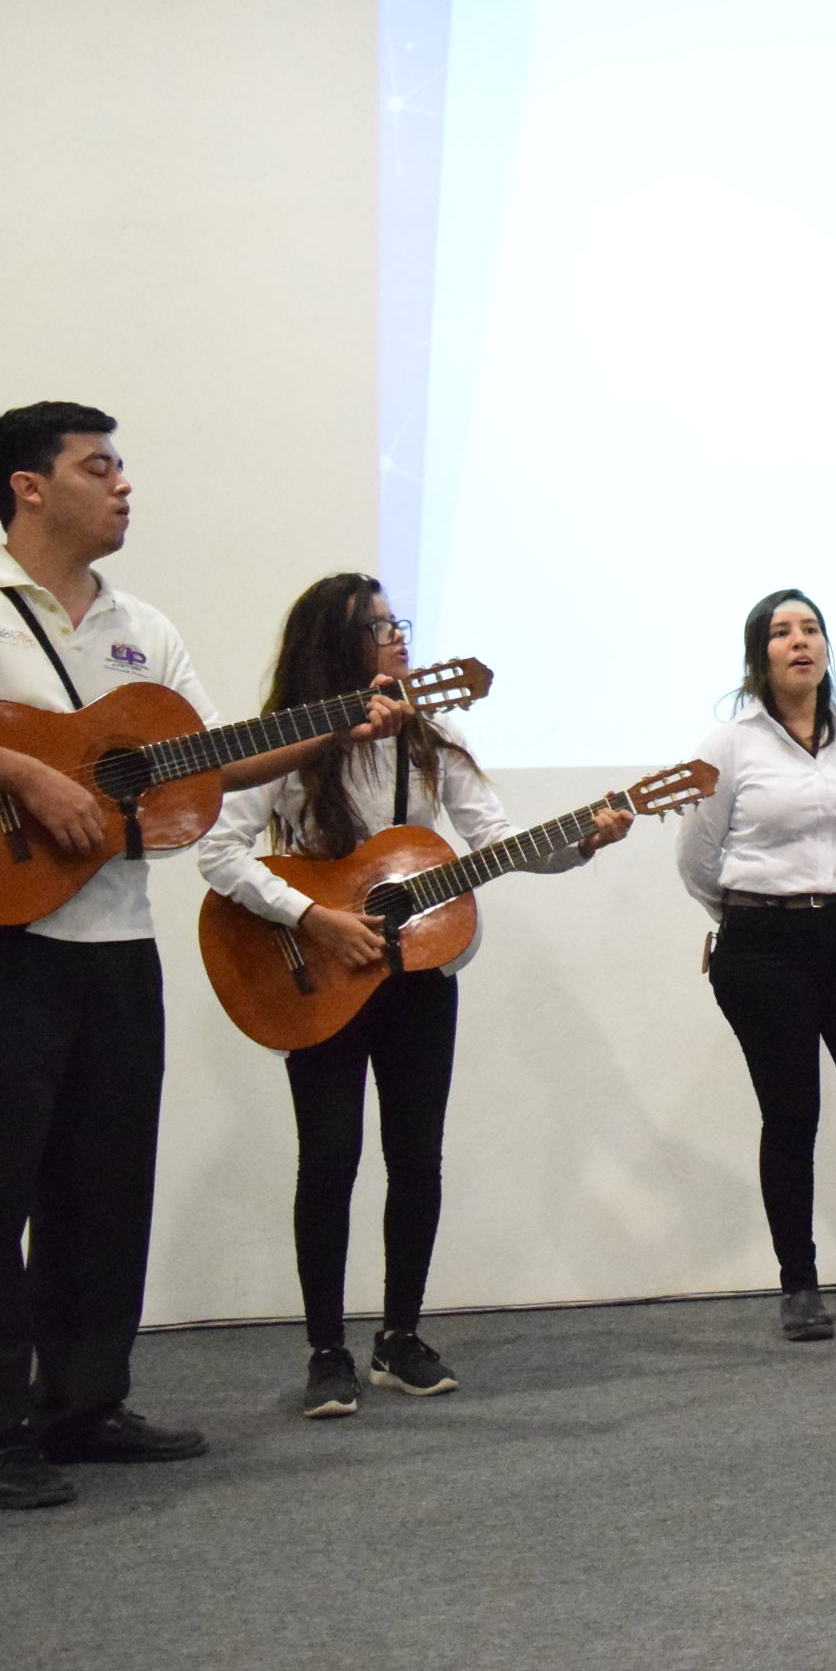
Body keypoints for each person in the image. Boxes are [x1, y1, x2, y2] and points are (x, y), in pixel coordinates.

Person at [0, 402, 397, 1509]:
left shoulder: (145, 627)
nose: (124, 484)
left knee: (105, 1189)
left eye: (122, 467)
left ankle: (84, 1403)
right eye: (100, 467)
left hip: (118, 945)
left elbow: (208, 763)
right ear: (30, 486)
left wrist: (336, 724)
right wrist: (24, 775)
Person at [197, 574, 634, 1417]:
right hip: (317, 972)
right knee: (329, 1160)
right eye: (377, 626)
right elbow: (219, 852)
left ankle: (400, 1336)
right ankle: (327, 1349)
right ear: (334, 645)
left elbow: (497, 842)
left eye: (396, 622)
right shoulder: (286, 740)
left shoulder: (433, 735)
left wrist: (584, 840)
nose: (398, 636)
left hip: (418, 976)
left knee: (416, 1157)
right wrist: (315, 918)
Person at [679, 590, 836, 1340]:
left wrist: (831, 891)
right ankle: (800, 1285)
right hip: (763, 945)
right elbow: (698, 856)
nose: (800, 642)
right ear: (759, 654)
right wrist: (750, 913)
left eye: (811, 629)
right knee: (791, 1115)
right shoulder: (730, 745)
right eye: (782, 632)